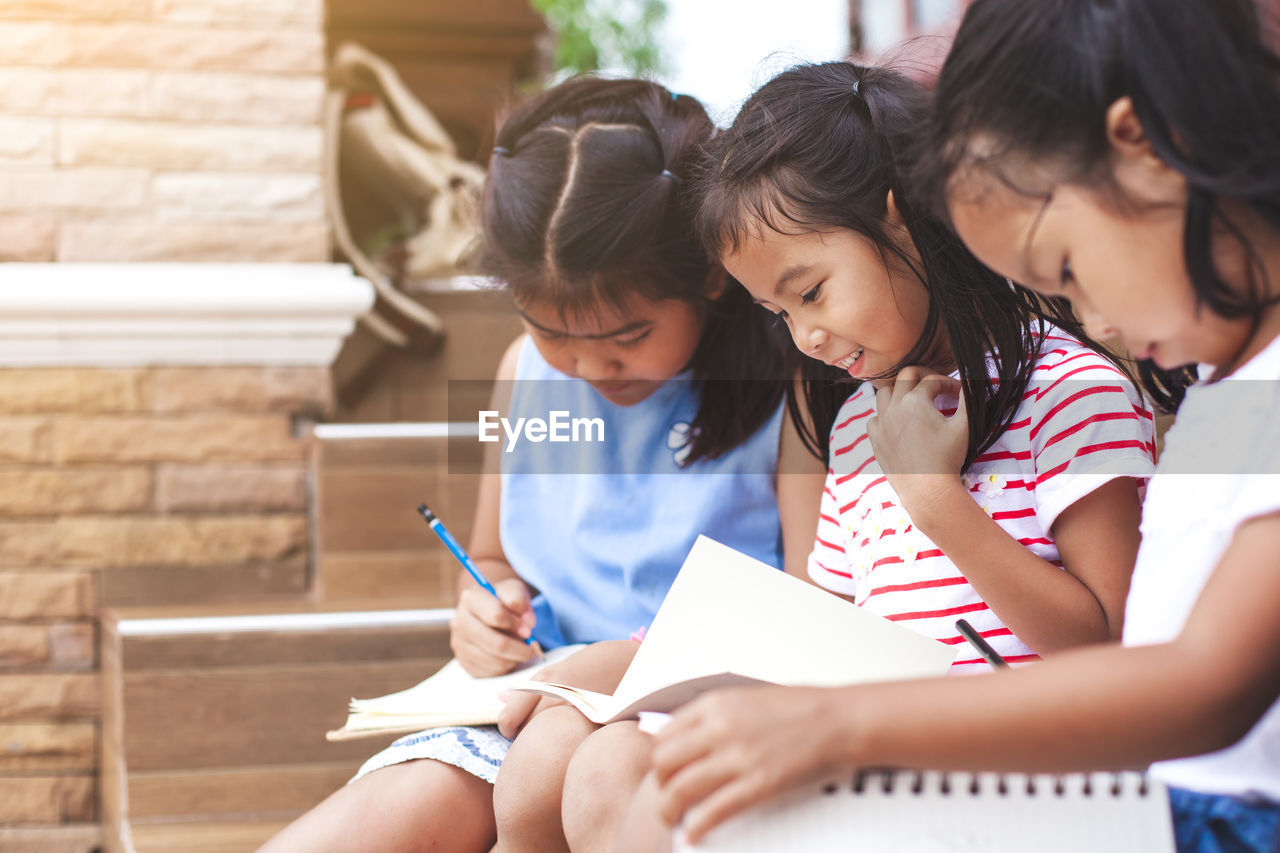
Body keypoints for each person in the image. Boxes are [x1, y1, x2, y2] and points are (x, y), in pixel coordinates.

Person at [640, 2, 1280, 852]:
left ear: (1149, 148)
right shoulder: (1225, 390)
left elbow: (1202, 685)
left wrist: (844, 726)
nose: (1099, 321)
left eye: (1066, 269)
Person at [537, 59, 1173, 851]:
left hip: (1030, 771)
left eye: (811, 291)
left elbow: (1108, 646)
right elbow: (833, 630)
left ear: (901, 220)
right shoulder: (853, 425)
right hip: (882, 752)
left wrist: (936, 500)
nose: (803, 335)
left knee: (664, 805)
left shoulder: (1069, 394)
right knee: (612, 767)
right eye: (777, 312)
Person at [258, 77, 844, 853]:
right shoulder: (524, 374)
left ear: (707, 274)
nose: (588, 363)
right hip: (533, 691)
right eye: (551, 332)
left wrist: (621, 665)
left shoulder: (785, 385)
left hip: (696, 697)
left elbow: (812, 613)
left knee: (554, 775)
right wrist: (486, 609)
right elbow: (497, 557)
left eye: (626, 335)